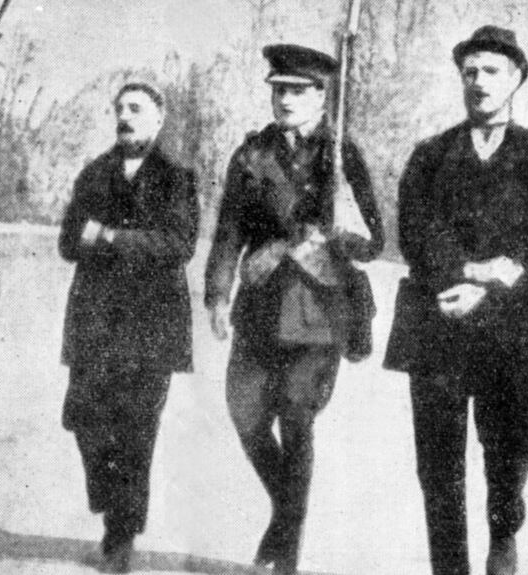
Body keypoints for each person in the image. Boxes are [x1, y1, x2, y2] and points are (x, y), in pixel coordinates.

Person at [383, 25, 528, 575]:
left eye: (491, 71)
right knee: (438, 466)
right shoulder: (431, 155)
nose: (479, 82)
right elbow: (415, 232)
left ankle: (503, 533)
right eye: (470, 72)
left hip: (508, 332)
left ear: (516, 79)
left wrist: (489, 292)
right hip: (437, 321)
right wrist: (468, 272)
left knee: (508, 457)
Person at [204, 44, 383, 575]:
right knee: (245, 413)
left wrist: (343, 230)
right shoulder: (252, 155)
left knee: (297, 419)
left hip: (318, 309)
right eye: (279, 89)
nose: (285, 99)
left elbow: (374, 238)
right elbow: (229, 230)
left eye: (298, 91)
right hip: (260, 303)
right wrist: (218, 294)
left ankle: (284, 552)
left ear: (323, 97)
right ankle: (287, 517)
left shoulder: (342, 153)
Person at [59, 82, 198, 574]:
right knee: (82, 416)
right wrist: (109, 238)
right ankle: (109, 499)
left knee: (136, 432)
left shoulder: (176, 178)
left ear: (158, 119)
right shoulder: (94, 173)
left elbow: (179, 245)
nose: (125, 116)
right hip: (95, 320)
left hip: (152, 325)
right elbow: (68, 242)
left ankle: (121, 535)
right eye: (120, 108)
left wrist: (110, 236)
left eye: (136, 109)